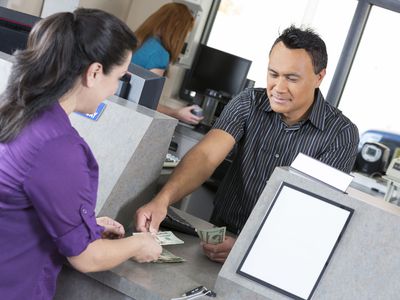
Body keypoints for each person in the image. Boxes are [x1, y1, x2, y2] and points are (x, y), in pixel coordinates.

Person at [135, 26, 359, 263]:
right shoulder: (248, 102)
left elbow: (311, 215)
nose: (279, 88)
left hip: (276, 254)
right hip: (222, 235)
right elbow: (206, 156)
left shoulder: (341, 134)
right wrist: (163, 199)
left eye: (292, 78)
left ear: (319, 77)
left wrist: (251, 247)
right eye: (273, 74)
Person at [0, 8, 162, 300]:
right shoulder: (56, 146)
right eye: (119, 78)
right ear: (95, 72)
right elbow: (87, 257)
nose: (114, 91)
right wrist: (140, 244)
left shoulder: (19, 111)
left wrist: (83, 226)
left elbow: (18, 206)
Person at [132, 2, 203, 125]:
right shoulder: (159, 54)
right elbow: (146, 104)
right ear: (176, 28)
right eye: (185, 32)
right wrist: (177, 113)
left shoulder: (136, 41)